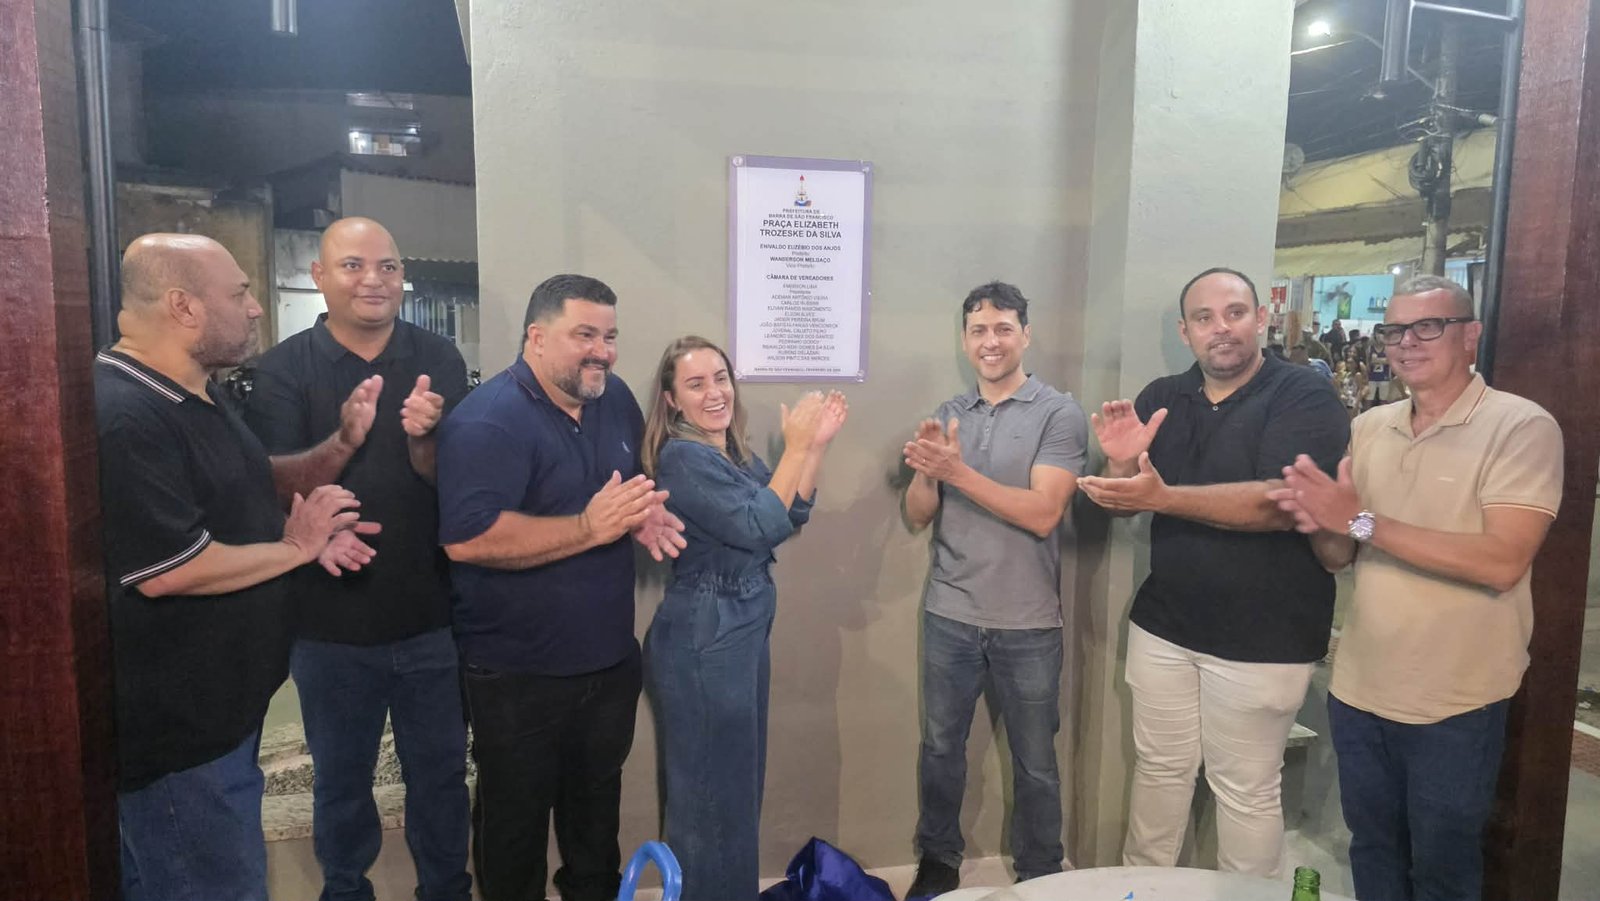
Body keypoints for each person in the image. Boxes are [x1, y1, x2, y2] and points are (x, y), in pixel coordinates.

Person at [97, 234, 375, 900]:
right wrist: (294, 549)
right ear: (183, 306)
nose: (254, 308)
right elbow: (169, 568)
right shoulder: (127, 413)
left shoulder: (194, 393)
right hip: (181, 740)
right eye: (240, 293)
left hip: (221, 718)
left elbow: (225, 506)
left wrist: (298, 538)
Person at [1270, 275, 1563, 901]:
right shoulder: (1372, 426)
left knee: (1442, 869)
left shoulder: (1519, 426)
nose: (1407, 342)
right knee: (1372, 850)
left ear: (1470, 335)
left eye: (1428, 326)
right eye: (1395, 329)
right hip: (1362, 687)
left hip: (1455, 700)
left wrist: (1358, 520)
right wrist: (1318, 522)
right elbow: (1341, 556)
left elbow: (1502, 561)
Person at [1077, 267, 1348, 878]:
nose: (1220, 328)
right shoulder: (1163, 397)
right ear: (1185, 330)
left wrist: (1163, 497)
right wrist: (1119, 468)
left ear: (1261, 318)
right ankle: (1141, 891)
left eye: (1235, 313)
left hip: (1267, 639)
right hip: (1165, 625)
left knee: (1245, 791)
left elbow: (1282, 503)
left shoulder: (1303, 395)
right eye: (1204, 318)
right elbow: (1123, 503)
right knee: (1158, 774)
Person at [435, 274, 684, 901]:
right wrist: (586, 528)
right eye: (584, 335)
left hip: (607, 662)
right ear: (537, 337)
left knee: (595, 827)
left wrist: (641, 512)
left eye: (610, 336)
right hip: (516, 675)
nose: (602, 351)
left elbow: (627, 482)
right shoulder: (487, 420)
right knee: (513, 831)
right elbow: (467, 539)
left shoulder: (613, 397)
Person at [244, 218, 472, 901]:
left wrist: (427, 439)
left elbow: (459, 483)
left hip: (431, 615)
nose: (373, 279)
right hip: (329, 625)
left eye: (388, 266)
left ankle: (446, 890)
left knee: (441, 779)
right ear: (319, 276)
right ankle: (345, 891)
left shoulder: (437, 357)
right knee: (342, 784)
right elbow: (272, 487)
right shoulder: (282, 370)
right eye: (352, 265)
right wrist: (342, 447)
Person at [640, 336, 848, 900]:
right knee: (710, 796)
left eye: (721, 378)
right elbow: (758, 525)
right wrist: (795, 447)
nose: (715, 392)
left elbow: (789, 511)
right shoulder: (683, 458)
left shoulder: (728, 451)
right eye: (696, 383)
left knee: (734, 788)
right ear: (671, 400)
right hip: (706, 629)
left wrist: (813, 448)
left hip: (741, 621)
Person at [901, 281, 1089, 896]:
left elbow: (1043, 513)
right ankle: (938, 859)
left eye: (1004, 328)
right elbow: (919, 515)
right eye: (979, 330)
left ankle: (1041, 872)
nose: (991, 341)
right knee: (940, 749)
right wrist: (928, 474)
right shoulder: (950, 411)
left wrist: (956, 471)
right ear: (964, 340)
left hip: (1028, 622)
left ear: (1025, 335)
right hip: (949, 613)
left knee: (1036, 762)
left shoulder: (1058, 413)